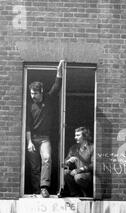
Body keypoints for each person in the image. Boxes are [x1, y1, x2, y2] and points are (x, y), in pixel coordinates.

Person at [26, 60, 64, 198]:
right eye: (31, 93)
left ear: (41, 92)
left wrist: (59, 72)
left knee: (47, 159)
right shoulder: (29, 106)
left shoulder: (48, 99)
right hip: (33, 137)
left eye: (35, 94)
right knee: (35, 167)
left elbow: (57, 86)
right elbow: (28, 125)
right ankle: (36, 191)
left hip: (44, 138)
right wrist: (29, 142)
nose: (32, 96)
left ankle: (44, 188)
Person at [63, 127, 94, 197]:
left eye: (78, 135)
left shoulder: (92, 147)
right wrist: (69, 161)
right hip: (76, 173)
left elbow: (94, 165)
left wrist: (79, 170)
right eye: (75, 135)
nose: (75, 137)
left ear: (85, 136)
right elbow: (64, 163)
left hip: (87, 174)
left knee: (78, 177)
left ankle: (87, 194)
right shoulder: (73, 148)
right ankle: (76, 194)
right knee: (65, 173)